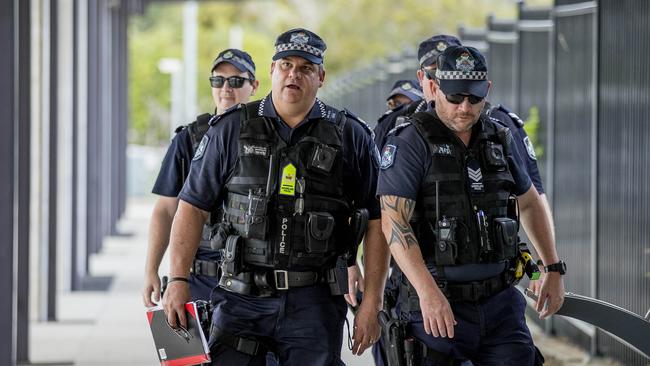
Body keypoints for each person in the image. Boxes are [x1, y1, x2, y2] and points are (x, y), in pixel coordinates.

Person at [163, 28, 390, 365]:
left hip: (314, 302)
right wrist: (178, 279)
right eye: (286, 65)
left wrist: (372, 301)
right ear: (271, 70)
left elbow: (377, 220)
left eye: (305, 68)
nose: (293, 74)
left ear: (321, 76)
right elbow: (192, 207)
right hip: (242, 298)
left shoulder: (350, 136)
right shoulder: (231, 129)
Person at [377, 45, 565, 365]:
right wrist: (427, 292)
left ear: (486, 90)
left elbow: (531, 204)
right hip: (438, 304)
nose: (465, 107)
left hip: (500, 304)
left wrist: (553, 267)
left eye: (474, 98)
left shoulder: (498, 136)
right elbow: (394, 221)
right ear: (435, 88)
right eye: (455, 97)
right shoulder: (410, 141)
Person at [142, 48, 259, 307]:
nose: (225, 88)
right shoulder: (189, 139)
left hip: (252, 282)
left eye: (236, 81)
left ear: (254, 86)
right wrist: (152, 268)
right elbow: (165, 209)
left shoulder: (270, 139)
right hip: (200, 279)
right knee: (191, 349)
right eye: (217, 80)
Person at [374, 35, 461, 150]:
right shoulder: (394, 120)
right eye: (435, 73)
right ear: (420, 77)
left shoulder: (481, 118)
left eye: (450, 72)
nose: (442, 80)